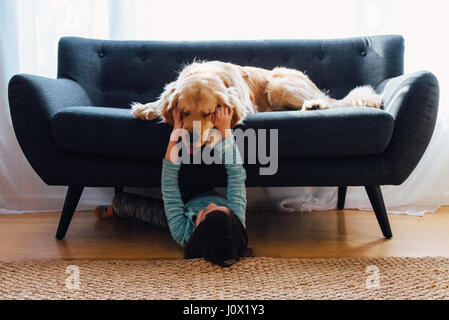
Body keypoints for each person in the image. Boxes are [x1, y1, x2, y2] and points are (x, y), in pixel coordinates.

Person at [94, 106, 248, 267]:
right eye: (219, 207)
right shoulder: (235, 220)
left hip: (180, 210)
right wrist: (225, 131)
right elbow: (236, 174)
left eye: (204, 213)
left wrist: (175, 134)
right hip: (204, 190)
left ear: (197, 232)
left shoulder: (182, 233)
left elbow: (169, 186)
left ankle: (117, 210)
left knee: (123, 201)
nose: (211, 204)